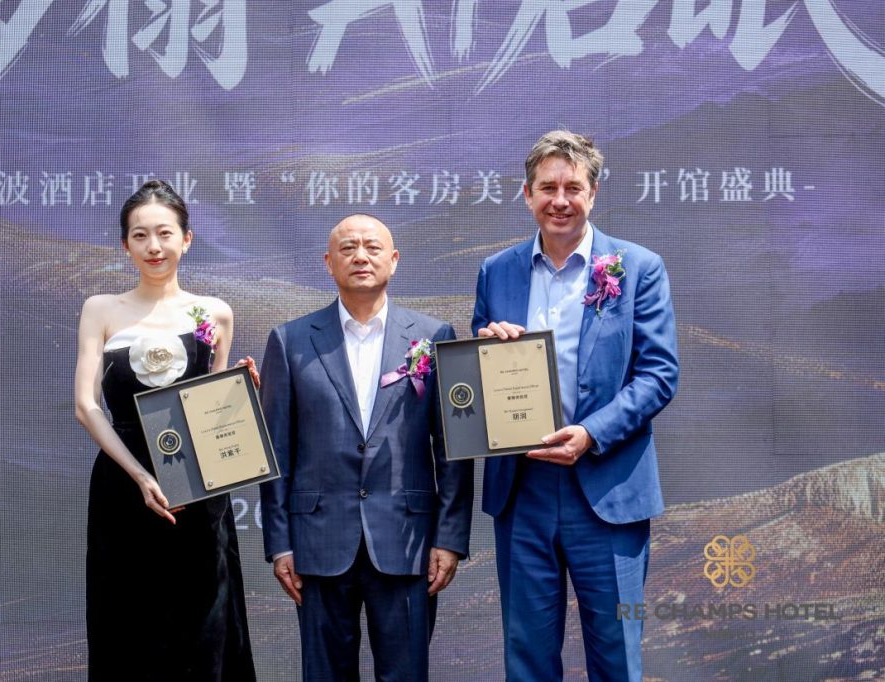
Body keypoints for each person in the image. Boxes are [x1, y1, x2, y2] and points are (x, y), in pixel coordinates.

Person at [472, 131, 679, 681]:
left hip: (607, 486)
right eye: (547, 188)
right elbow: (478, 377)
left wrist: (591, 433)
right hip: (523, 487)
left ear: (593, 193)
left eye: (572, 187)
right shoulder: (497, 271)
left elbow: (659, 375)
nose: (559, 200)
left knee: (616, 657)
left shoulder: (638, 267)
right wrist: (486, 348)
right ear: (527, 194)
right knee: (528, 659)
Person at [259, 213, 474, 682]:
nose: (361, 256)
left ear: (393, 260)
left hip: (407, 541)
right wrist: (279, 544)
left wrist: (449, 538)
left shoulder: (433, 336)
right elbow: (275, 452)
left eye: (373, 247)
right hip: (317, 543)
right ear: (328, 262)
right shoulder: (291, 340)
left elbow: (453, 451)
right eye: (348, 248)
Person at [74, 180, 256, 681]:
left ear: (187, 239)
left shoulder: (213, 313)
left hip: (198, 491)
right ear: (125, 245)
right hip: (124, 486)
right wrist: (139, 476)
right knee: (128, 624)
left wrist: (240, 394)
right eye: (140, 236)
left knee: (204, 625)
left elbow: (214, 411)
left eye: (165, 233)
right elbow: (87, 406)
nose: (154, 246)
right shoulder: (101, 309)